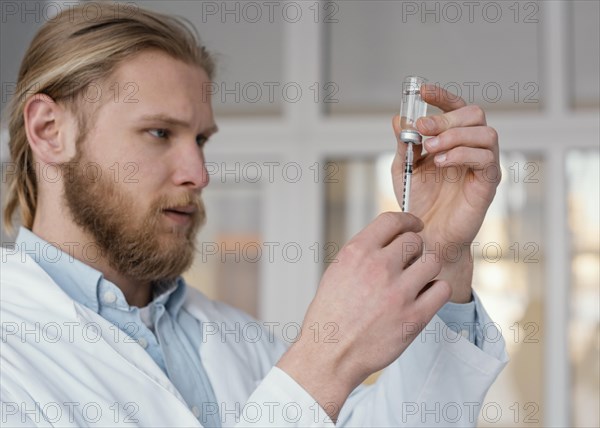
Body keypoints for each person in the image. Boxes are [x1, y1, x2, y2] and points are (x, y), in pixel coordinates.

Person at [0, 3, 507, 427]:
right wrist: (321, 364)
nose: (198, 173)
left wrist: (439, 252)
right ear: (49, 130)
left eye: (200, 139)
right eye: (159, 133)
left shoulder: (228, 336)